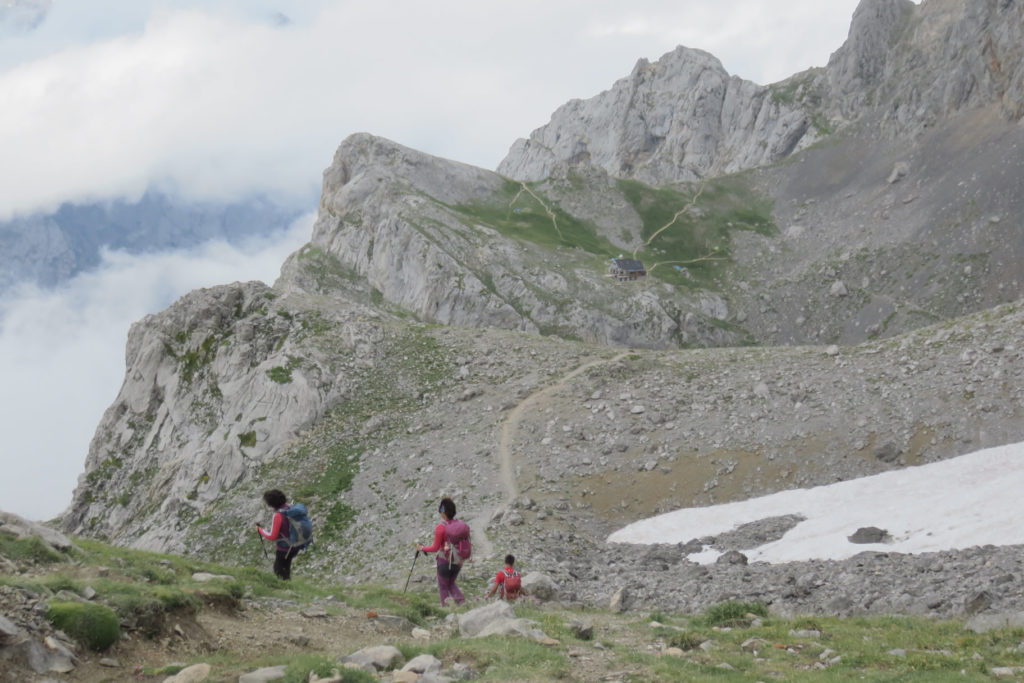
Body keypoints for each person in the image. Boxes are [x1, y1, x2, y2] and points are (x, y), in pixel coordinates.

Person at [417, 497, 466, 606]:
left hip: (444, 561)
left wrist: (422, 548)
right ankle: (462, 603)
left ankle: (446, 608)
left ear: (443, 512)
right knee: (451, 583)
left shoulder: (441, 527)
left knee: (443, 586)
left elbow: (435, 548)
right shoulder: (461, 525)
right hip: (457, 562)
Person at [256, 489, 300, 580]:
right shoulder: (289, 509)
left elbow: (273, 536)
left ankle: (286, 590)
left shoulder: (278, 515)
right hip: (294, 546)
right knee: (285, 569)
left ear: (271, 504)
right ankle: (289, 588)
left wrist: (260, 530)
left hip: (283, 548)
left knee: (278, 570)